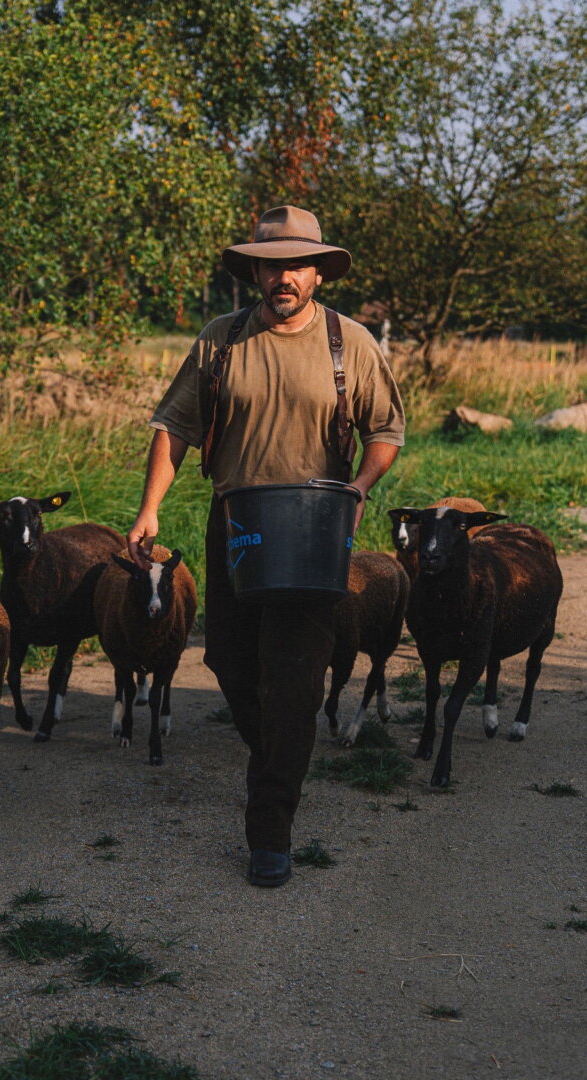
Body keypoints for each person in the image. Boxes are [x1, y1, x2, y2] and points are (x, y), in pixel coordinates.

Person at [127, 205, 405, 887]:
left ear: (316, 272)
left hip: (314, 532)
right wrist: (149, 509)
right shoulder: (220, 342)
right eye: (271, 264)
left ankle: (270, 827)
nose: (284, 277)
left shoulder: (351, 344)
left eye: (296, 265)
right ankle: (283, 754)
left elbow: (387, 433)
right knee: (228, 661)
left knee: (294, 680)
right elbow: (174, 428)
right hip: (237, 527)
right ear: (255, 269)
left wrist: (359, 489)